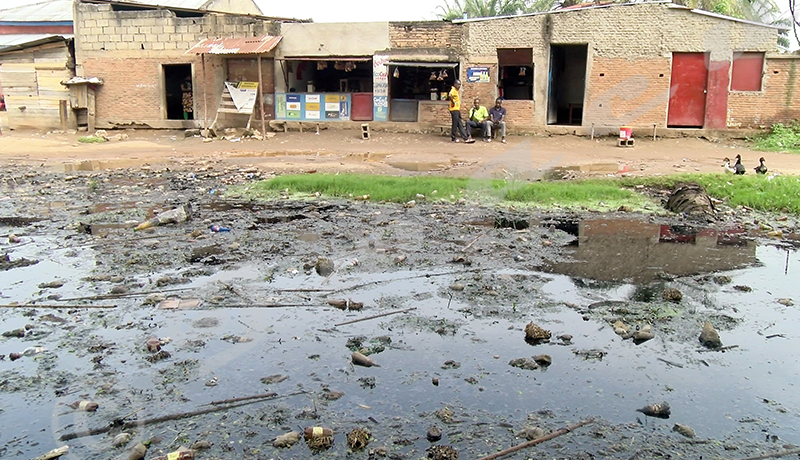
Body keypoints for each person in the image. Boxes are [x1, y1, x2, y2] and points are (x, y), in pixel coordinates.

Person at [447, 79, 474, 143]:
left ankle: (465, 138)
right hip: (454, 109)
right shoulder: (453, 89)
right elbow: (449, 95)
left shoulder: (456, 90)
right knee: (455, 124)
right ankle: (453, 138)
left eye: (460, 85)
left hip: (457, 109)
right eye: (458, 84)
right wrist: (453, 102)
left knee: (460, 124)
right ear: (455, 84)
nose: (459, 86)